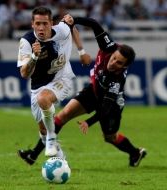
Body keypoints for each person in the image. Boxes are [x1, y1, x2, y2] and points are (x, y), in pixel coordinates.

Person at [18, 14, 147, 167]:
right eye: (113, 58)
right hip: (93, 92)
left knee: (110, 137)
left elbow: (104, 109)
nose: (113, 63)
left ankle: (135, 152)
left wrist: (88, 122)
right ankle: (33, 155)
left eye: (119, 63)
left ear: (124, 67)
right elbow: (94, 23)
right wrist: (74, 20)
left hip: (110, 106)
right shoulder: (108, 46)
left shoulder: (116, 82)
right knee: (62, 116)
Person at [17, 7, 91, 158]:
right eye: (38, 23)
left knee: (43, 99)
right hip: (38, 85)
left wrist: (81, 52)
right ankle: (60, 158)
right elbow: (24, 74)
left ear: (51, 23)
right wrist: (34, 57)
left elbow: (71, 27)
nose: (41, 27)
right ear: (32, 24)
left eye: (45, 23)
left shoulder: (62, 30)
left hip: (62, 78)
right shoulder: (27, 42)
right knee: (42, 129)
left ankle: (52, 137)